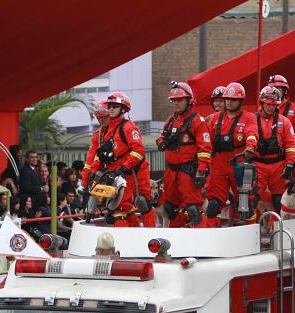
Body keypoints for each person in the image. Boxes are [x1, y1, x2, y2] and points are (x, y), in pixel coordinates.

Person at [87, 91, 155, 227]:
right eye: (110, 106)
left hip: (132, 172)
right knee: (121, 209)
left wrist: (124, 168)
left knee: (141, 203)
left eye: (114, 106)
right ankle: (134, 236)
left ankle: (150, 236)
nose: (110, 109)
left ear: (123, 109)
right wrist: (93, 173)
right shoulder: (107, 131)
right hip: (116, 174)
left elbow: (138, 151)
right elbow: (101, 155)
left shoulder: (128, 127)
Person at [156, 81, 212, 227]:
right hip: (171, 172)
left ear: (189, 101)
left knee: (193, 209)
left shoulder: (197, 121)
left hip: (188, 172)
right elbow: (163, 136)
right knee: (170, 208)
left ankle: (201, 241)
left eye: (180, 100)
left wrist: (201, 171)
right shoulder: (170, 120)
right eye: (174, 100)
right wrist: (161, 141)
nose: (176, 103)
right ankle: (176, 241)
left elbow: (205, 150)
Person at [207, 82, 259, 226]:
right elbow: (205, 142)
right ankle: (211, 238)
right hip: (218, 165)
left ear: (240, 101)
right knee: (213, 206)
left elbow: (252, 133)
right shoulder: (214, 118)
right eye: (227, 99)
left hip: (241, 164)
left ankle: (251, 238)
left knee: (247, 205)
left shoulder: (249, 117)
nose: (229, 102)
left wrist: (250, 147)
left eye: (233, 99)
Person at [254, 85, 295, 213]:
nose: (271, 107)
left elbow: (291, 144)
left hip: (278, 165)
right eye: (268, 104)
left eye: (274, 104)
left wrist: (290, 164)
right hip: (258, 165)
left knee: (279, 200)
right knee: (252, 198)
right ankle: (253, 227)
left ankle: (280, 227)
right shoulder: (252, 120)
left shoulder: (284, 122)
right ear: (262, 103)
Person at [81, 99, 111, 190]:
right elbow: (90, 158)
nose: (101, 120)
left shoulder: (120, 130)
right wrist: (85, 182)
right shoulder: (97, 134)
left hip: (123, 170)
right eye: (99, 117)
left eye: (104, 117)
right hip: (105, 173)